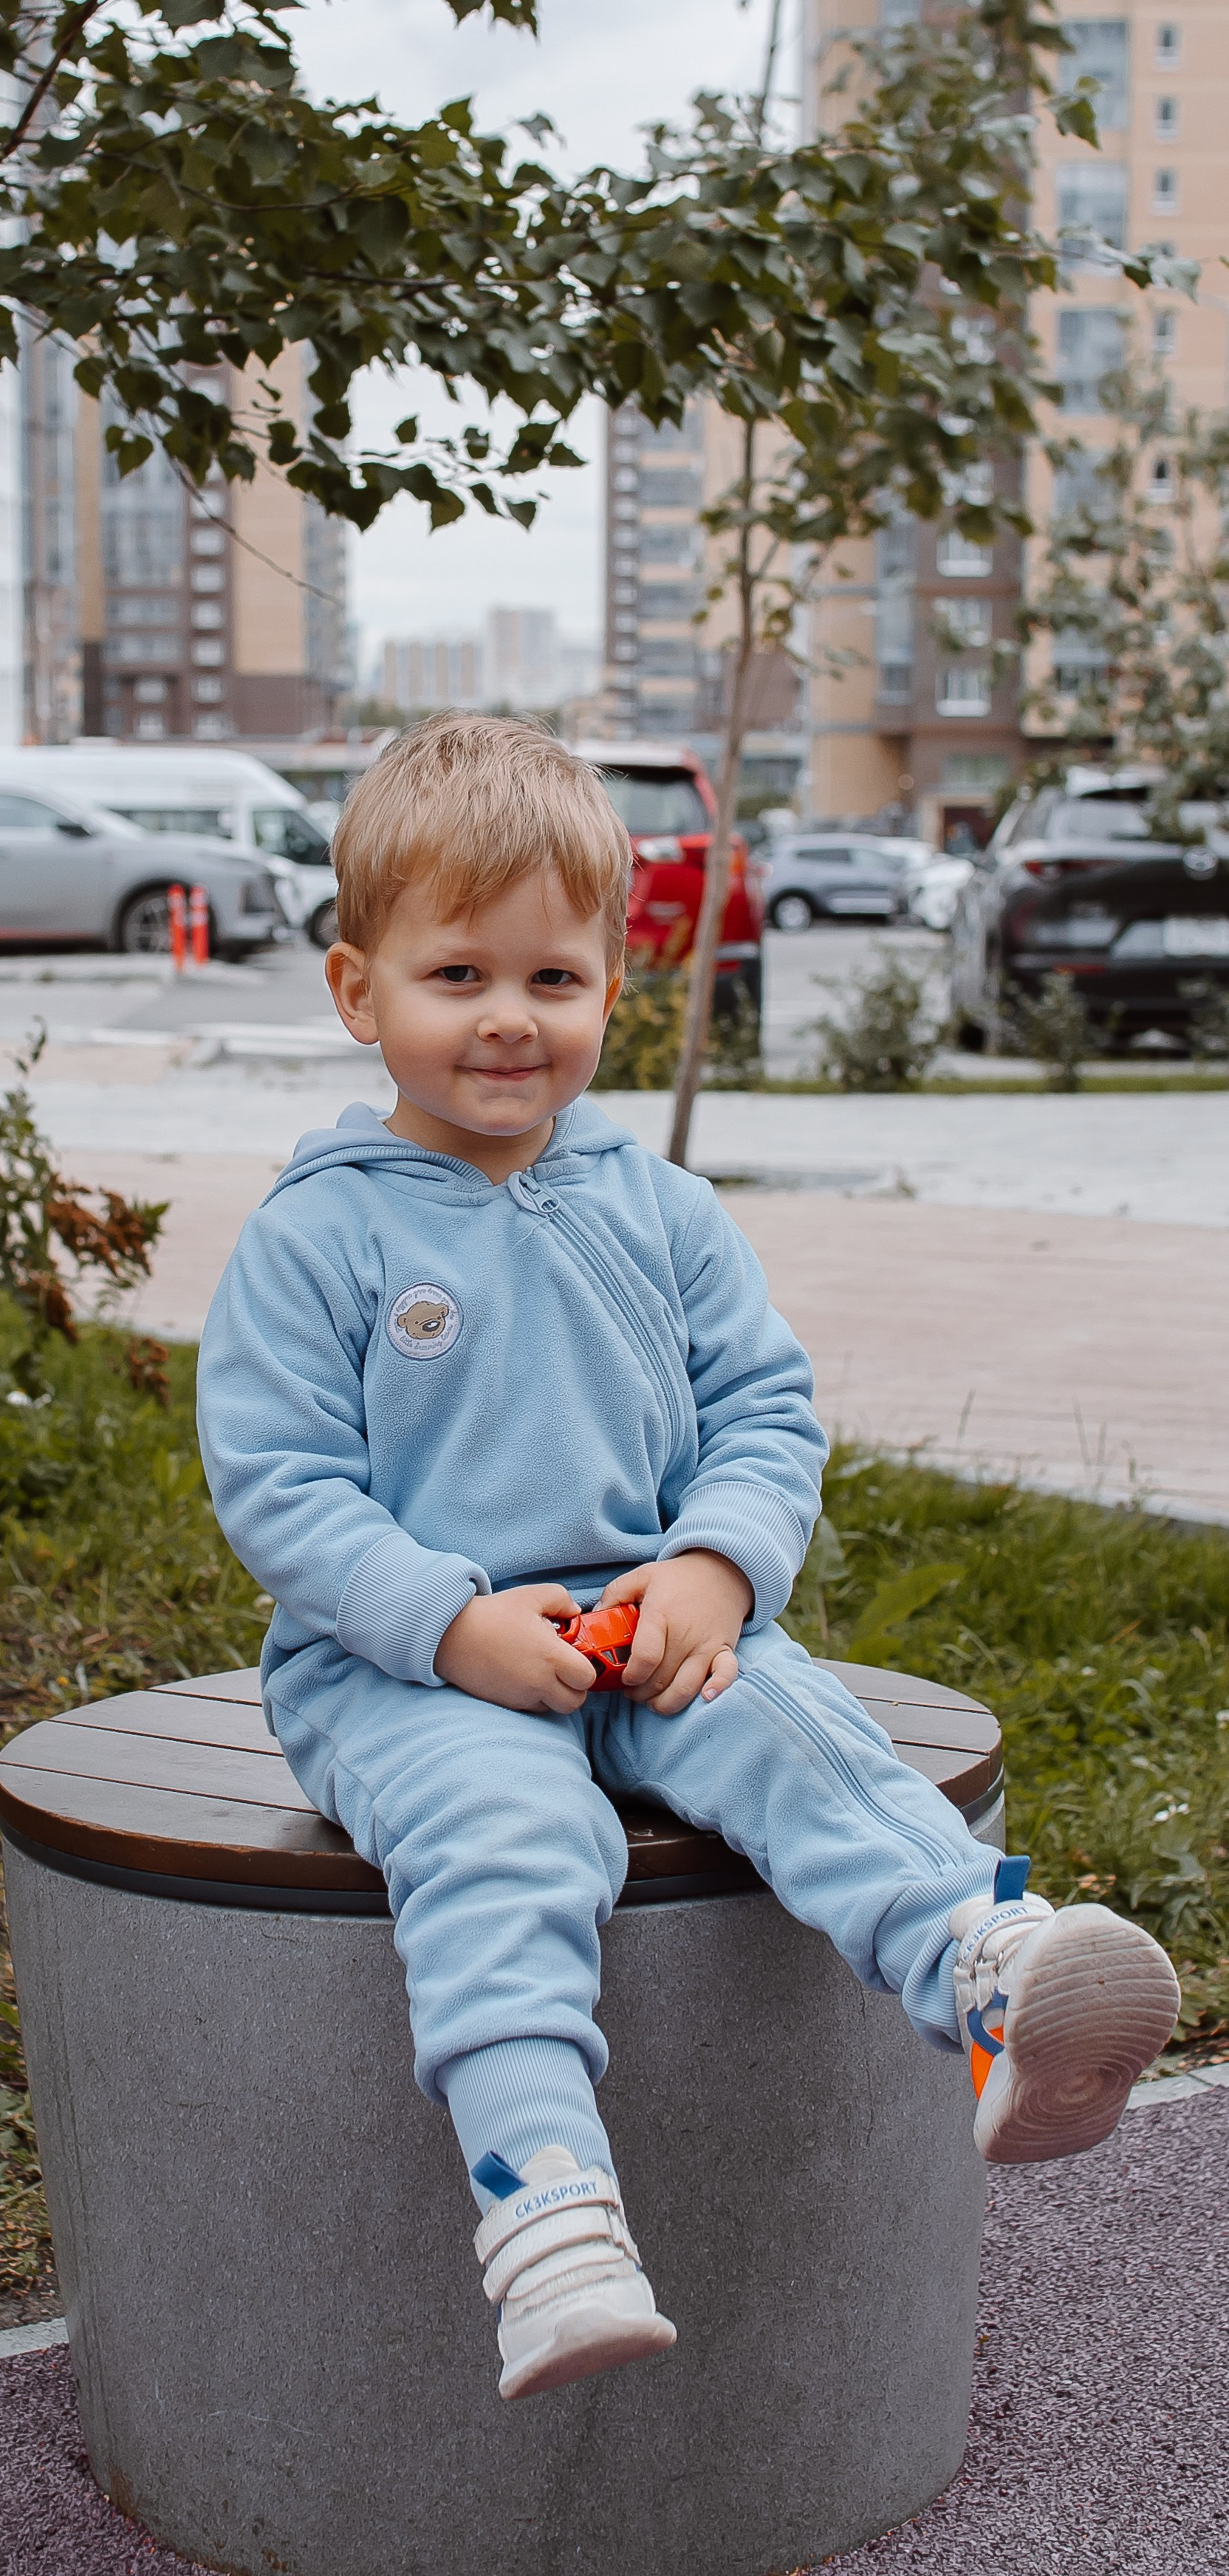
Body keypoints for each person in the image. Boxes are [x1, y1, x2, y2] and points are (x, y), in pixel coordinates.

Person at [196, 714, 1179, 2405]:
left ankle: (986, 1965)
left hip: (646, 1615)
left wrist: (716, 1570)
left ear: (611, 987)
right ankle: (544, 2207)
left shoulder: (657, 1207)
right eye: (456, 976)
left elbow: (760, 1411)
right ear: (359, 993)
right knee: (503, 1836)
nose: (508, 1019)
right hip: (407, 1667)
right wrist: (444, 1624)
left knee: (793, 1735)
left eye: (553, 980)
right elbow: (280, 1487)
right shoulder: (322, 1232)